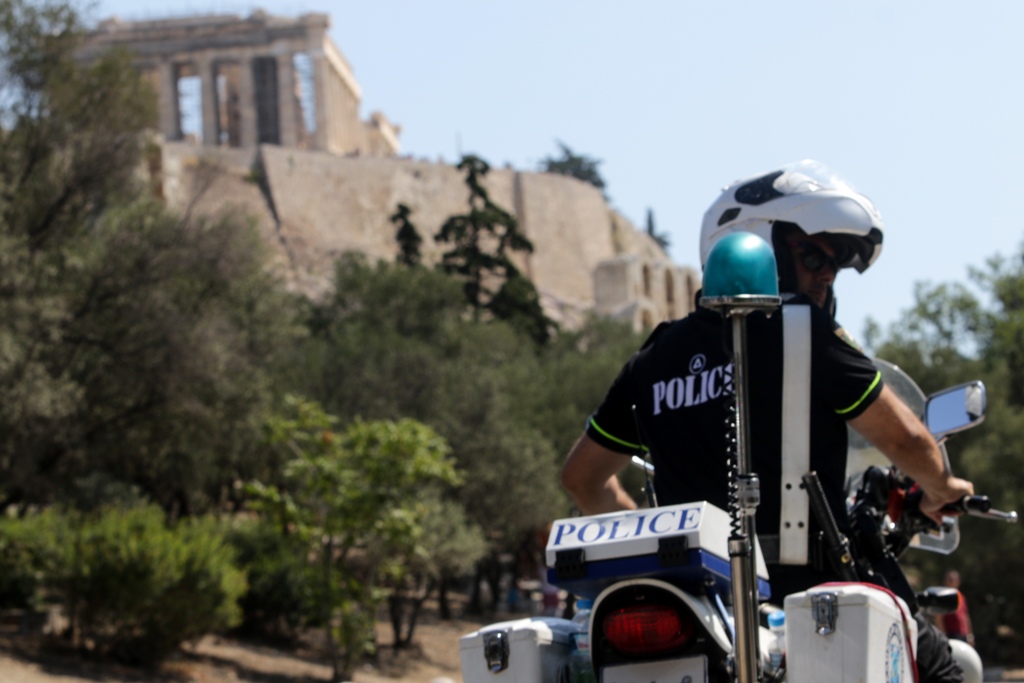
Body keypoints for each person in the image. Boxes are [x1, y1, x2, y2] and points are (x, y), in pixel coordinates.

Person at [560, 161, 973, 683]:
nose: (827, 274)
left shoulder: (654, 358)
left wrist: (650, 543)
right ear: (759, 246)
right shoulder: (806, 334)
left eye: (836, 264)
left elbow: (581, 479)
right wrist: (942, 485)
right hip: (808, 601)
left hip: (703, 612)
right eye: (812, 255)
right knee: (945, 664)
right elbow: (907, 438)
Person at [938, 569, 975, 646]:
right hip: (950, 635)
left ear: (958, 581)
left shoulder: (961, 597)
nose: (951, 582)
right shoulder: (943, 597)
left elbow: (965, 617)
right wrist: (943, 636)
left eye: (953, 580)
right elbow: (938, 618)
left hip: (963, 635)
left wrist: (970, 635)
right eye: (949, 580)